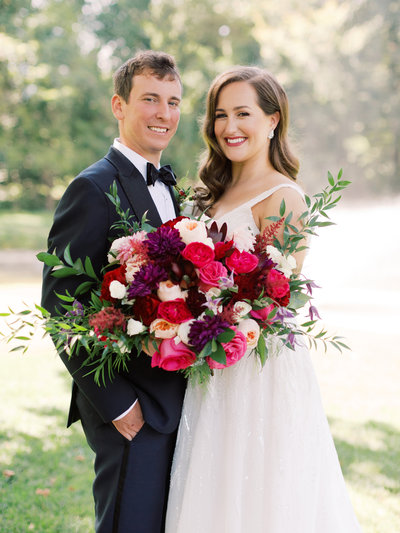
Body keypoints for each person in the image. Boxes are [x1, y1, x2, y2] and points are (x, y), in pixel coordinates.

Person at [165, 67, 363, 532]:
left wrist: (211, 312)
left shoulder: (284, 198)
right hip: (211, 364)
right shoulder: (208, 195)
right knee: (212, 489)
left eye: (243, 114)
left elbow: (279, 297)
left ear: (273, 120)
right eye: (220, 115)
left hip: (257, 368)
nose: (229, 127)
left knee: (259, 494)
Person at [41, 50, 187, 533]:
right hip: (132, 408)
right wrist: (117, 404)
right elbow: (61, 307)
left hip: (178, 400)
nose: (163, 113)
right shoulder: (93, 187)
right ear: (118, 105)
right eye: (150, 99)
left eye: (173, 101)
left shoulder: (174, 190)